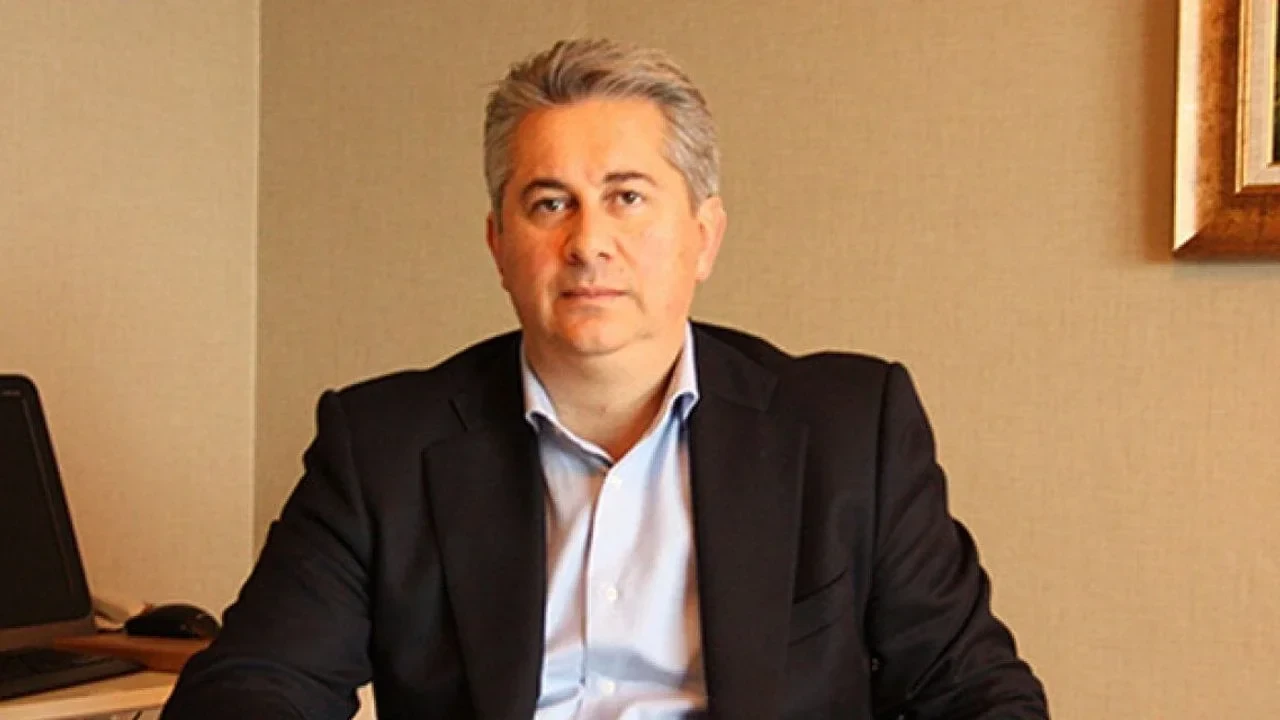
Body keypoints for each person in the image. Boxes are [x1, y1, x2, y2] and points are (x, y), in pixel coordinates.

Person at [162, 38, 1048, 719]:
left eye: (627, 197)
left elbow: (976, 692)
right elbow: (252, 684)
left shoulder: (849, 432)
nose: (588, 242)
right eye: (549, 203)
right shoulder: (383, 447)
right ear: (499, 245)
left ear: (703, 236)